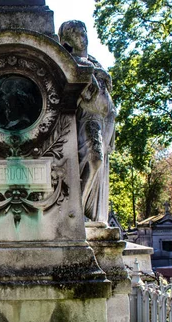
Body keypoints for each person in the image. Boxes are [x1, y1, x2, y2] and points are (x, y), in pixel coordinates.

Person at [59, 20, 116, 223]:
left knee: (100, 164)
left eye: (82, 33)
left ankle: (90, 213)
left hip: (105, 119)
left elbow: (105, 95)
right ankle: (77, 212)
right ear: (67, 39)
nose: (81, 37)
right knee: (94, 158)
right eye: (74, 34)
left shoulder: (94, 61)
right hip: (87, 118)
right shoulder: (68, 62)